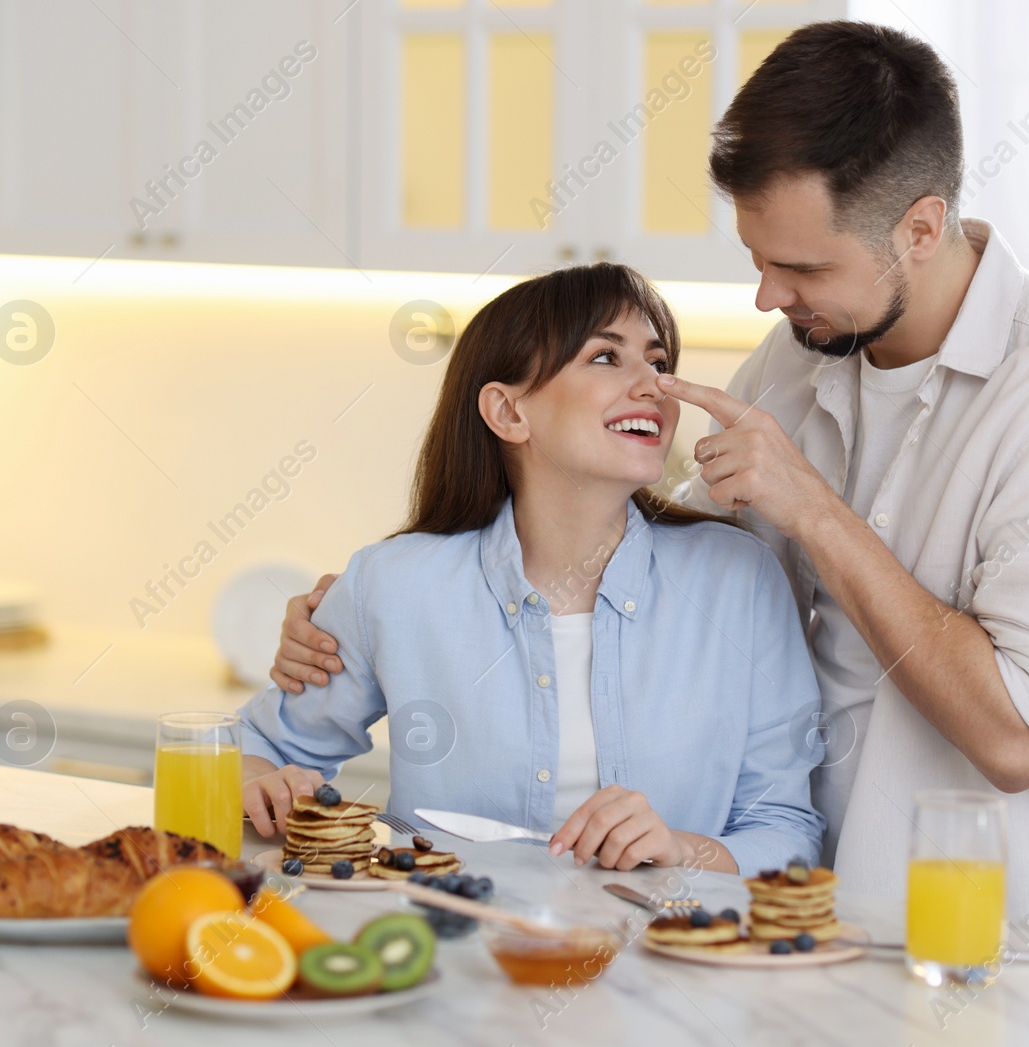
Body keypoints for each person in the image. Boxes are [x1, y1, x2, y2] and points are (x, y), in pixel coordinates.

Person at [274, 22, 1029, 931]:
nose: (769, 298)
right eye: (759, 261)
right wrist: (362, 612)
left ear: (921, 228)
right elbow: (664, 560)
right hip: (800, 927)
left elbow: (1019, 738)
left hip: (1007, 949)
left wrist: (819, 516)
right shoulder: (800, 358)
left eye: (802, 266)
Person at [237, 262, 824, 876]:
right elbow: (254, 748)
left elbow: (786, 830)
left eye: (656, 361)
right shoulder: (392, 584)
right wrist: (261, 786)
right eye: (605, 357)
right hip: (446, 955)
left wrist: (680, 850)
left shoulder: (740, 580)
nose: (652, 385)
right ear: (508, 412)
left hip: (662, 958)